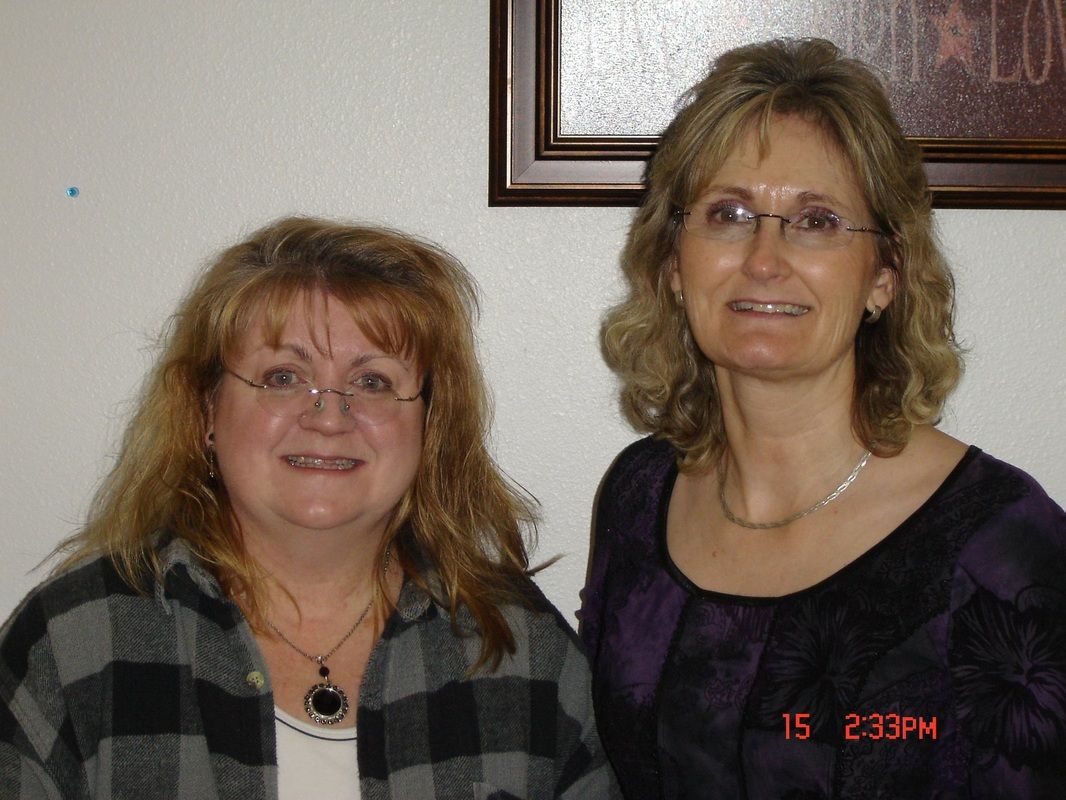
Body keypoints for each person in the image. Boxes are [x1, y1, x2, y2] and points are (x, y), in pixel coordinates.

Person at [581, 38, 1066, 799]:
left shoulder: (998, 546)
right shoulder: (640, 499)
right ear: (674, 265)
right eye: (729, 212)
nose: (764, 258)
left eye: (817, 221)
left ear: (884, 276)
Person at [0, 217, 618, 799]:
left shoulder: (521, 651)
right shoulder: (75, 644)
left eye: (372, 381)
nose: (328, 416)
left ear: (431, 425)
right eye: (282, 377)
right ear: (208, 413)